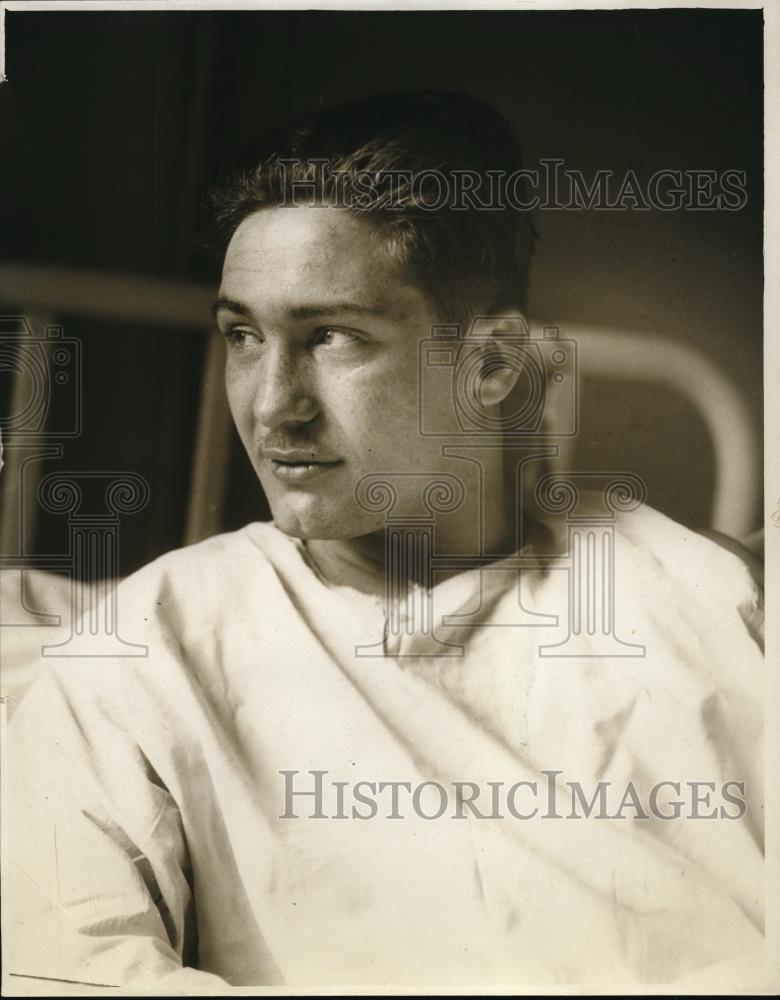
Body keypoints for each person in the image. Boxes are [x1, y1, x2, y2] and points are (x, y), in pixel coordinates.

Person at [4, 91, 765, 992]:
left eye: (331, 337)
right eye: (243, 336)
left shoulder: (709, 596)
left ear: (491, 364)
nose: (270, 404)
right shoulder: (142, 651)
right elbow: (64, 969)